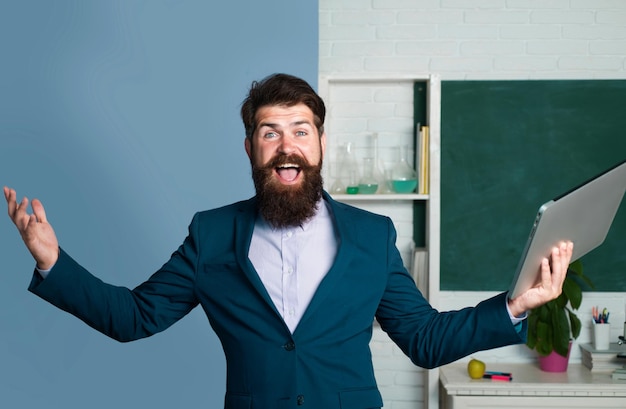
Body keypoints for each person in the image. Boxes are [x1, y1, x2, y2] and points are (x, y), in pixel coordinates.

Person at [4, 73, 573, 409]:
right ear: (250, 148)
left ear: (320, 144)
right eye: (269, 132)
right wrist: (54, 261)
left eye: (300, 131)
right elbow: (133, 317)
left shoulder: (371, 236)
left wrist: (515, 305)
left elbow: (424, 340)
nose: (286, 145)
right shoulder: (211, 234)